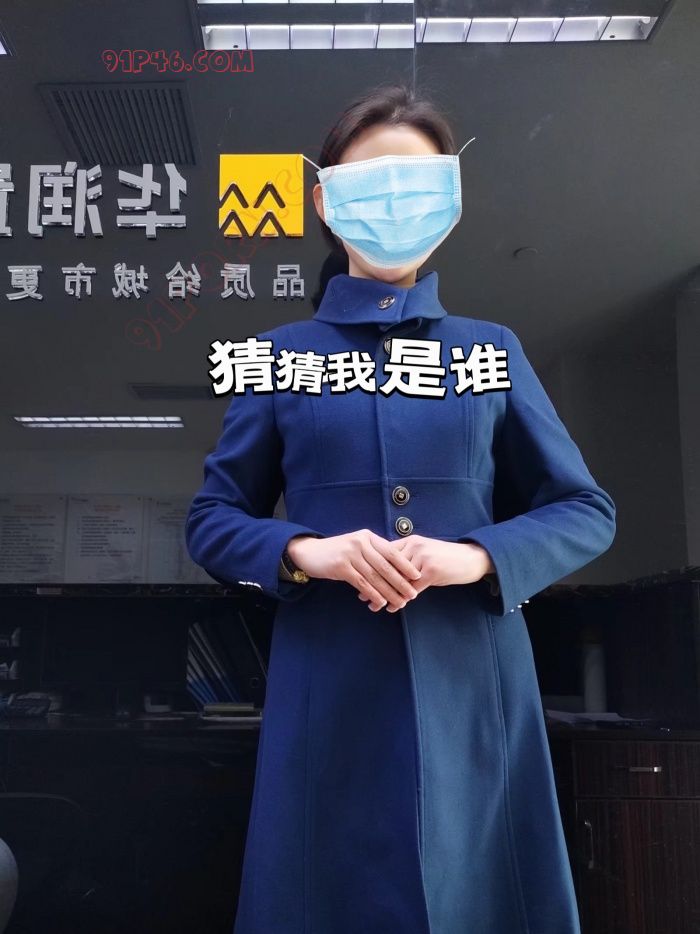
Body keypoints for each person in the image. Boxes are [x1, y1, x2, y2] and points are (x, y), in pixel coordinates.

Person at [185, 82, 616, 934]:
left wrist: (478, 556)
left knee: (477, 893)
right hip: (329, 683)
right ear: (324, 201)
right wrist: (307, 550)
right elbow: (211, 518)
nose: (393, 205)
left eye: (415, 184)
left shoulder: (490, 350)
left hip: (473, 687)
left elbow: (585, 508)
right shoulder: (279, 357)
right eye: (369, 182)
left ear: (450, 199)